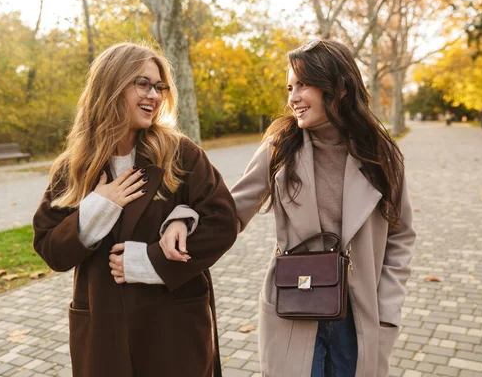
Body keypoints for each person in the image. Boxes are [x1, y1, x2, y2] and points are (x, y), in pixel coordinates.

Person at [157, 39, 416, 377]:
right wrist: (182, 219)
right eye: (289, 87)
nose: (292, 97)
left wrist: (387, 311)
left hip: (360, 316)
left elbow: (400, 236)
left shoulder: (382, 156)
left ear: (338, 88)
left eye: (303, 85)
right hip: (296, 307)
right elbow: (230, 210)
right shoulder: (281, 148)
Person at [32, 42, 237, 377]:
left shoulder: (180, 154)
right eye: (142, 83)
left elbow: (223, 220)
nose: (154, 95)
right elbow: (49, 248)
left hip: (173, 330)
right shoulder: (73, 167)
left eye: (159, 86)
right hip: (103, 332)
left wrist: (152, 260)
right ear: (111, 86)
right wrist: (97, 208)